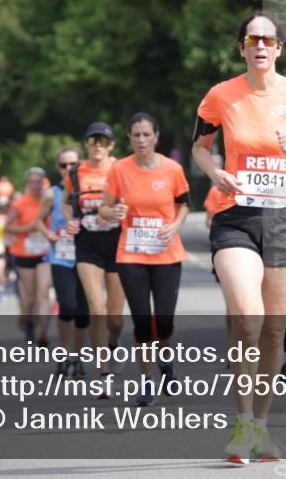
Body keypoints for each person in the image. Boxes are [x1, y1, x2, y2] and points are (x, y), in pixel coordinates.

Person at [191, 12, 286, 463]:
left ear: (278, 48)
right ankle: (240, 425)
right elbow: (200, 145)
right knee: (248, 319)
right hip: (236, 217)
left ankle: (260, 424)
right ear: (242, 48)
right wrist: (214, 172)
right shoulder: (221, 96)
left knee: (274, 330)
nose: (259, 45)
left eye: (268, 39)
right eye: (251, 38)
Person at [102, 112, 190, 406]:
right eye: (135, 135)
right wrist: (111, 213)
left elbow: (183, 205)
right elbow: (104, 208)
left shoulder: (172, 169)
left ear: (156, 137)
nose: (141, 140)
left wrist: (176, 226)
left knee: (163, 322)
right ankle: (147, 381)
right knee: (142, 323)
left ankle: (166, 364)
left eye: (146, 135)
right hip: (131, 254)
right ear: (129, 138)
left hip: (166, 254)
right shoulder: (119, 169)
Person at [64, 122, 125, 381]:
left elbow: (134, 200)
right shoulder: (76, 171)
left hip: (116, 241)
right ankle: (104, 371)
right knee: (96, 309)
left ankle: (113, 345)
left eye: (103, 141)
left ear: (111, 145)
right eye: (93, 140)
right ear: (86, 144)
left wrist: (115, 214)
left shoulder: (121, 168)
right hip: (87, 243)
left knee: (115, 318)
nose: (97, 145)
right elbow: (68, 202)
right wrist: (70, 220)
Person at [37, 146, 89, 379]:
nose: (68, 169)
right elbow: (38, 221)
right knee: (67, 307)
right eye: (63, 165)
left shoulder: (89, 189)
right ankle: (66, 354)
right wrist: (48, 235)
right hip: (61, 257)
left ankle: (76, 357)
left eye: (73, 164)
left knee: (84, 313)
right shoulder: (51, 193)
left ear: (80, 164)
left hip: (88, 256)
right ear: (58, 167)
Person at [5, 167, 53, 346]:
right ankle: (28, 323)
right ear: (27, 184)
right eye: (31, 182)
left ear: (43, 183)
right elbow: (6, 226)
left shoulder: (49, 201)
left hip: (45, 253)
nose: (35, 186)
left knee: (43, 292)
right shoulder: (19, 204)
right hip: (24, 253)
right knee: (30, 298)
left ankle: (42, 332)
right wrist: (26, 229)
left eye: (38, 182)